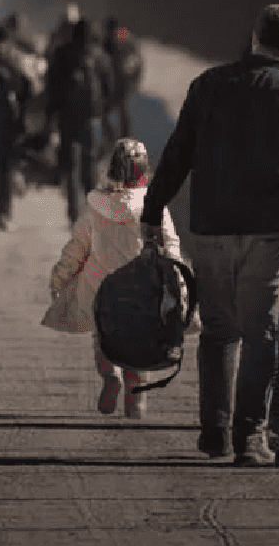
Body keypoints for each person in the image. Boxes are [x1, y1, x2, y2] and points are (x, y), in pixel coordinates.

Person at [140, 3, 279, 466]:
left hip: (212, 228)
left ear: (255, 37)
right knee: (263, 333)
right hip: (271, 235)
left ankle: (214, 432)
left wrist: (152, 210)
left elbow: (176, 154)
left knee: (218, 330)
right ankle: (250, 436)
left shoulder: (209, 85)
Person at [49, 138, 183, 418]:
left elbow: (77, 247)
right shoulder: (154, 208)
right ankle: (136, 401)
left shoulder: (97, 207)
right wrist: (180, 285)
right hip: (144, 292)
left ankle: (110, 374)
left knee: (104, 340)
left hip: (104, 292)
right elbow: (170, 247)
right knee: (139, 345)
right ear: (146, 172)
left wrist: (61, 277)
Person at [44, 18, 114, 229]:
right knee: (90, 166)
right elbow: (109, 89)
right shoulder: (100, 57)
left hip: (67, 118)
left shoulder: (62, 54)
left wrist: (51, 115)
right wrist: (103, 114)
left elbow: (52, 86)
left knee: (71, 168)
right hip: (92, 120)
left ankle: (74, 215)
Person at [0, 25, 31, 230]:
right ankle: (4, 212)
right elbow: (28, 85)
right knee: (6, 168)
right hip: (11, 120)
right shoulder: (16, 58)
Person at [101, 17, 143, 143]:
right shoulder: (105, 40)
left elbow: (136, 58)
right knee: (107, 111)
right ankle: (112, 138)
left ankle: (125, 139)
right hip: (111, 81)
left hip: (121, 81)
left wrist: (135, 77)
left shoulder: (124, 37)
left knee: (121, 110)